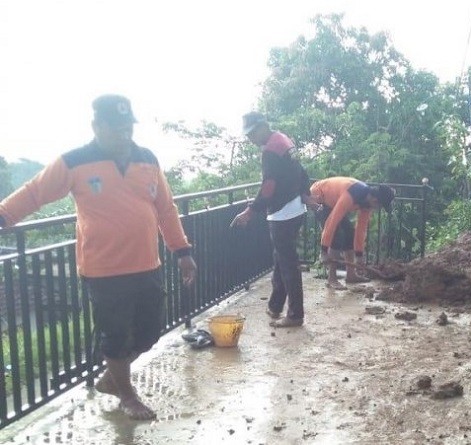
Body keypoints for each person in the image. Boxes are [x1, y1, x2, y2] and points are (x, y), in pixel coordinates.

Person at [0, 95, 197, 420]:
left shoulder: (147, 159)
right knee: (116, 335)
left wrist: (183, 251)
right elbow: (35, 192)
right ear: (97, 126)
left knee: (150, 330)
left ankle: (111, 377)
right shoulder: (75, 161)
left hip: (147, 263)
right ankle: (127, 395)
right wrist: (4, 216)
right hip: (103, 269)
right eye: (116, 128)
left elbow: (166, 208)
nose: (124, 134)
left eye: (128, 127)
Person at [230, 112, 310, 328]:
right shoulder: (284, 140)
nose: (251, 138)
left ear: (263, 126)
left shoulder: (270, 151)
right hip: (295, 208)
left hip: (282, 212)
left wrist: (250, 210)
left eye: (253, 133)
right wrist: (306, 194)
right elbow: (302, 172)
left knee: (288, 264)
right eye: (248, 135)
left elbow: (268, 186)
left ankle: (295, 315)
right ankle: (275, 306)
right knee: (281, 259)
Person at [309, 177, 395, 290]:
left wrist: (359, 255)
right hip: (319, 196)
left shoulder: (367, 204)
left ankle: (351, 275)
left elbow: (361, 230)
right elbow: (332, 222)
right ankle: (332, 279)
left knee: (350, 233)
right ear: (375, 200)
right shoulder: (351, 194)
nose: (377, 209)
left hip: (334, 202)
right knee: (336, 236)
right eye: (380, 206)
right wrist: (324, 251)